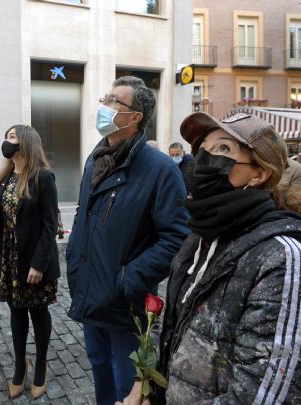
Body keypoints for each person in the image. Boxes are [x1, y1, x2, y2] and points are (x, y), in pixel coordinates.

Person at [118, 112, 301, 405]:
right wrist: (142, 383)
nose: (206, 159)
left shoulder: (286, 259)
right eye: (203, 149)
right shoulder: (200, 237)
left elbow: (268, 396)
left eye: (223, 149)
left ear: (258, 174)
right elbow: (170, 326)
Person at [66, 76, 190, 405]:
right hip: (91, 292)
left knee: (129, 385)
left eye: (112, 101)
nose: (103, 107)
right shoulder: (96, 158)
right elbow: (85, 217)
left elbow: (178, 236)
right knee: (100, 372)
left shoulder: (161, 169)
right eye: (104, 99)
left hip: (126, 302)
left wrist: (128, 278)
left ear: (135, 117)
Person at [0, 125, 60, 400]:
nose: (7, 141)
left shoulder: (43, 177)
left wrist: (39, 264)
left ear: (26, 142)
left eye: (12, 137)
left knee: (38, 312)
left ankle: (40, 365)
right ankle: (19, 366)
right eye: (6, 137)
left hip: (33, 260)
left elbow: (51, 226)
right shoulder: (5, 178)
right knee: (17, 313)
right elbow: (2, 225)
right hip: (9, 260)